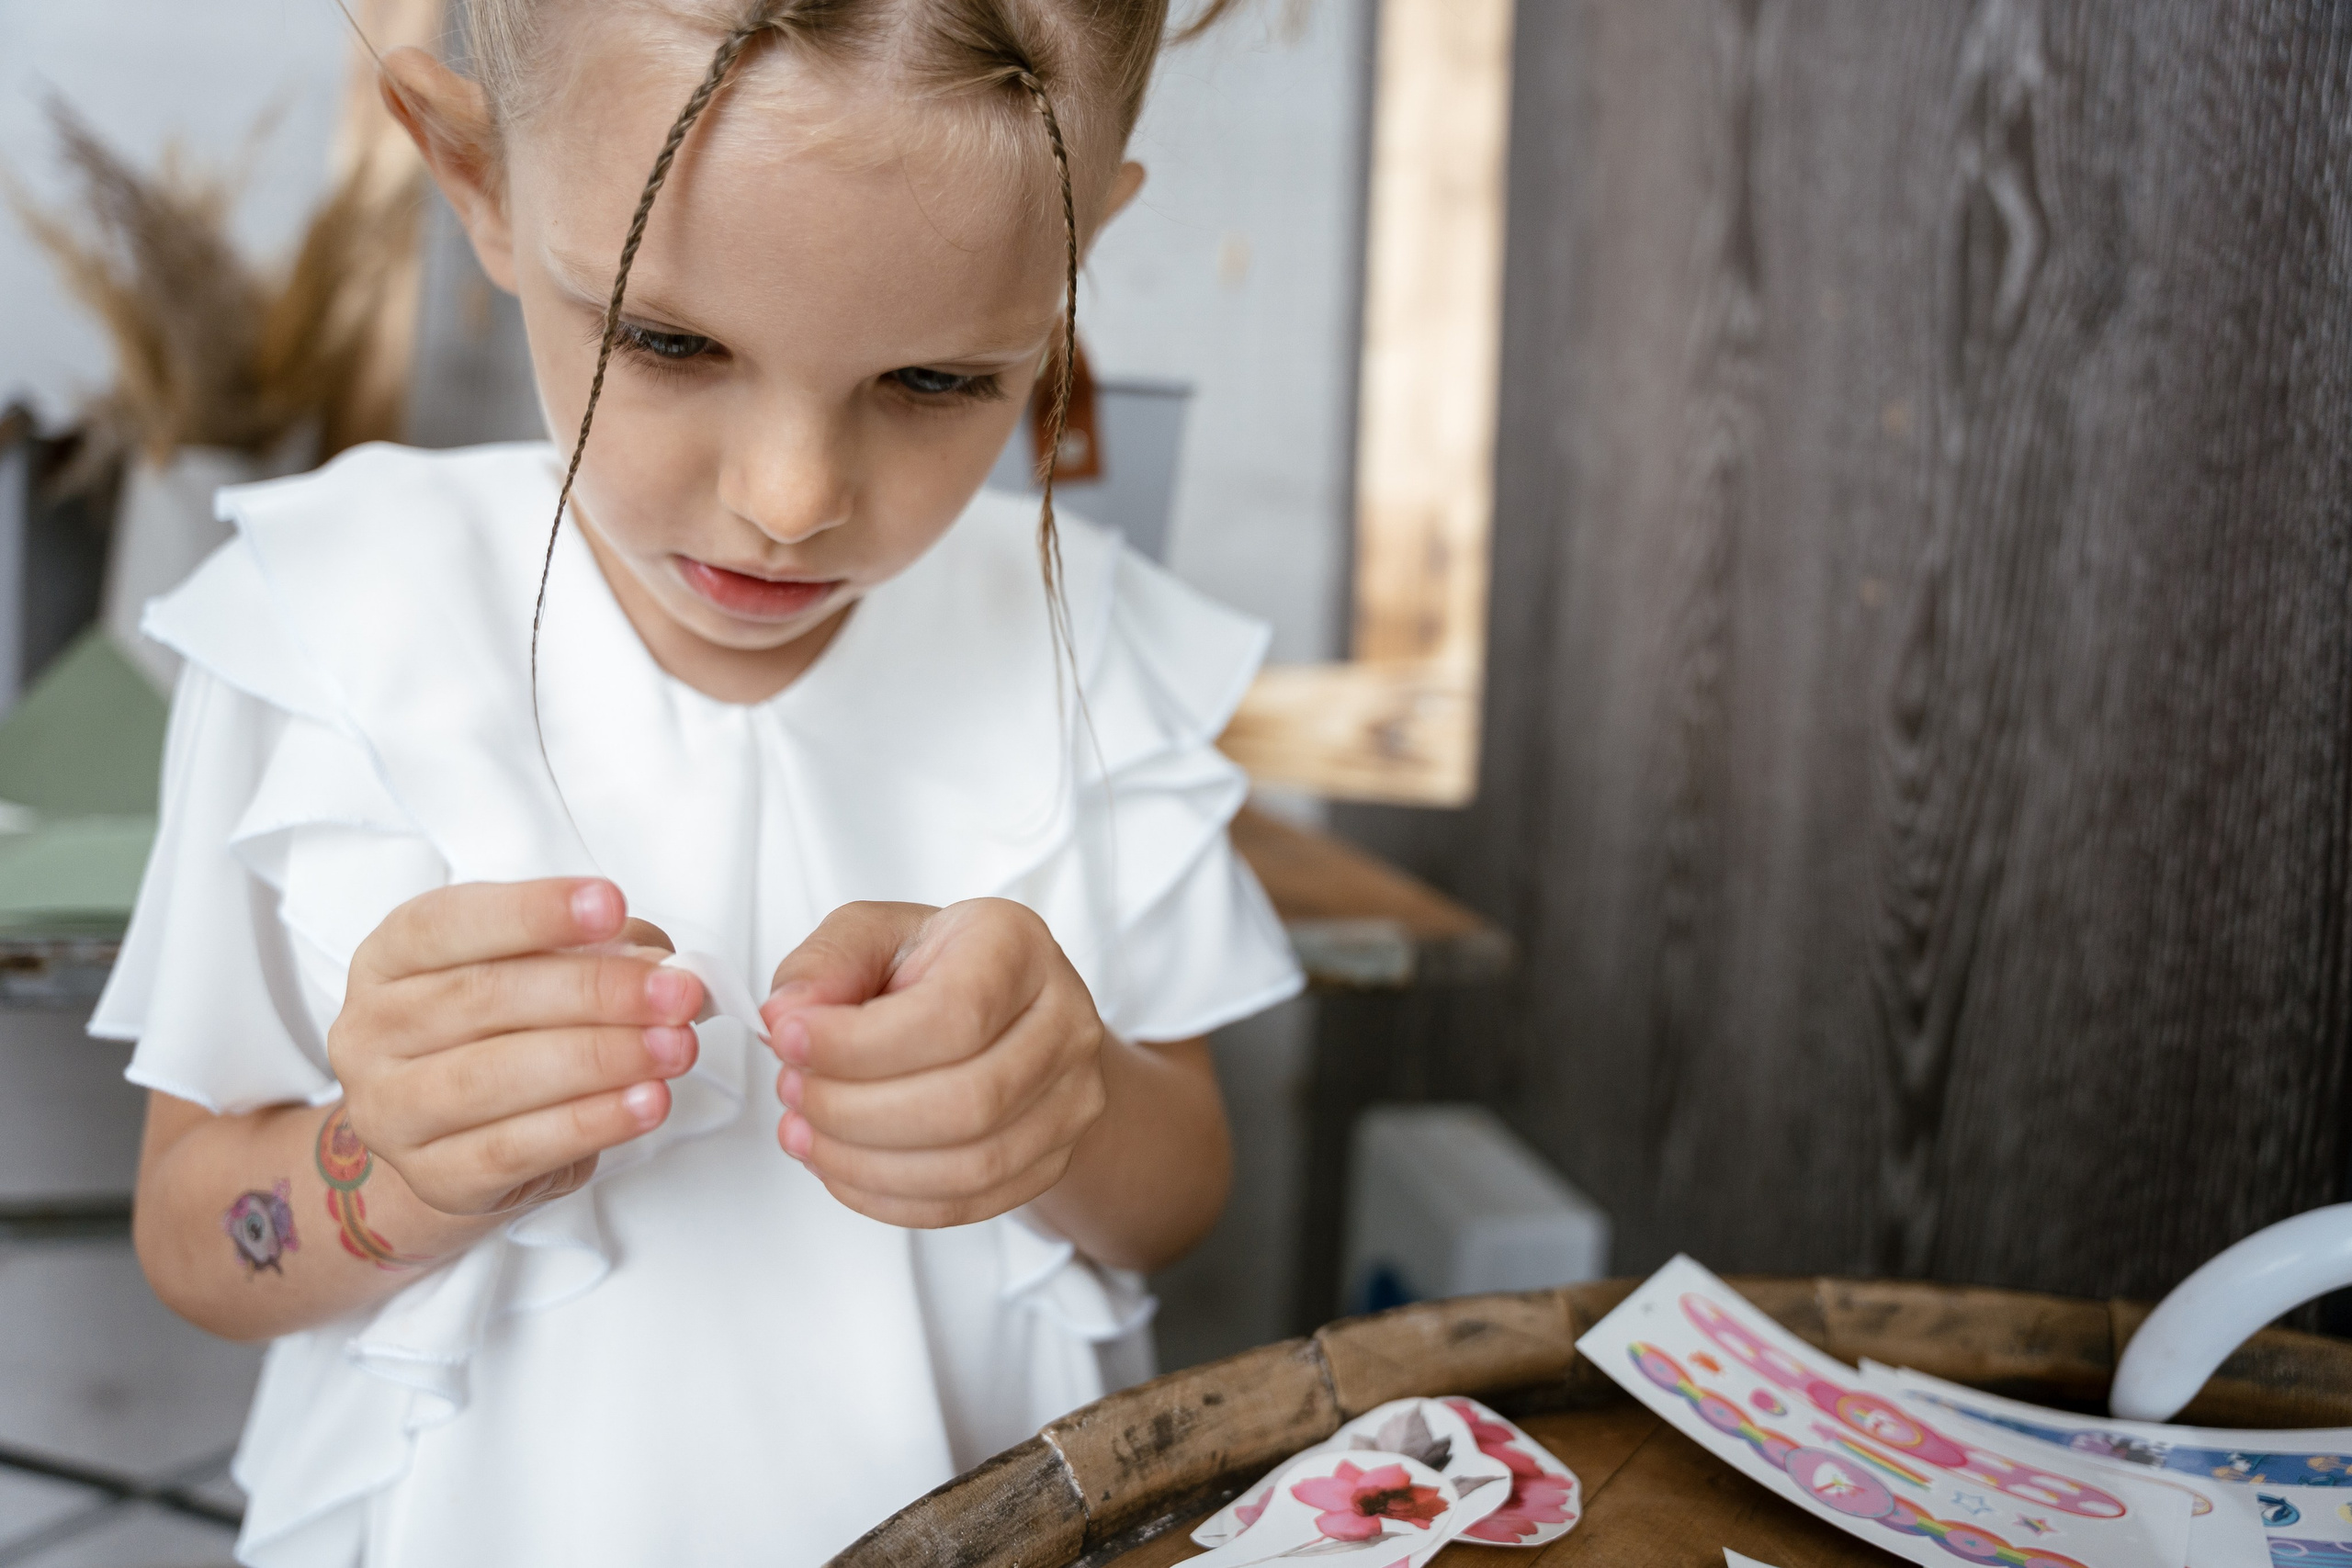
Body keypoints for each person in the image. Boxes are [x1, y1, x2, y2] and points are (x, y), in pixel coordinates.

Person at [95, 2, 1302, 1563]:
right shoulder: (326, 623)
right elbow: (199, 1242)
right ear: (474, 179)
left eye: (935, 380)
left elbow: (1178, 1193)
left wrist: (1057, 1101)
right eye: (669, 342)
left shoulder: (1097, 655)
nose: (790, 502)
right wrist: (382, 1169)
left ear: (1077, 257)